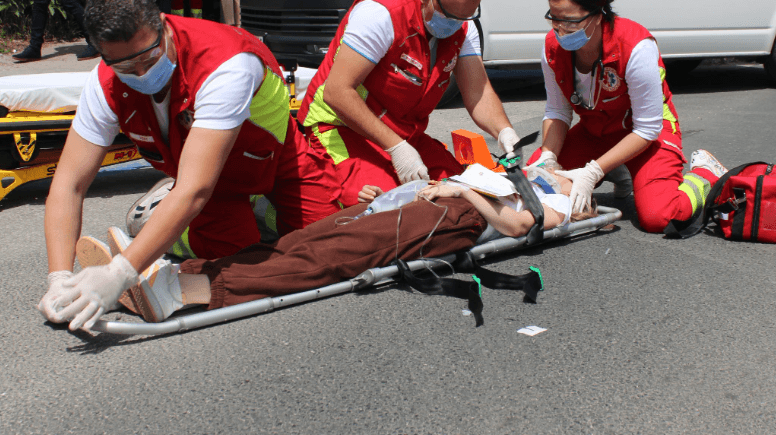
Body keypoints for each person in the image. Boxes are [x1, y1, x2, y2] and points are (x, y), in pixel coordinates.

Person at [36, 0, 341, 329]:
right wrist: (58, 278)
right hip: (212, 184)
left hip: (275, 160)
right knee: (242, 266)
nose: (141, 74)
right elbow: (69, 184)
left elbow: (194, 189)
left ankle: (156, 220)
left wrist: (121, 272)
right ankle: (170, 230)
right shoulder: (103, 82)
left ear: (164, 25)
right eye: (124, 68)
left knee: (329, 247)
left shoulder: (225, 62)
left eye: (149, 57)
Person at [67, 165, 589, 327]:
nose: (557, 171)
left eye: (567, 177)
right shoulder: (531, 172)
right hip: (428, 199)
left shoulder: (557, 203)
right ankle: (171, 271)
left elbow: (519, 228)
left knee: (334, 257)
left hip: (457, 217)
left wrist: (462, 189)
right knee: (303, 239)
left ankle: (186, 290)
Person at [298, 0, 524, 207]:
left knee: (463, 191)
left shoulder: (462, 25)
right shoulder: (381, 13)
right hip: (341, 128)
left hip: (403, 135)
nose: (456, 24)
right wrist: (397, 148)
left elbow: (477, 92)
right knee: (385, 204)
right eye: (450, 15)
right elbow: (337, 91)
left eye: (466, 16)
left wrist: (504, 132)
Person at [532, 0, 728, 233]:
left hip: (649, 136)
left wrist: (592, 172)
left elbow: (648, 128)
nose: (560, 30)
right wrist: (548, 157)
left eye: (570, 22)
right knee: (535, 184)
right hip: (596, 133)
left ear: (598, 14)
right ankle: (617, 168)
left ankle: (706, 175)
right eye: (554, 19)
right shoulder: (552, 48)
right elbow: (558, 110)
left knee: (659, 217)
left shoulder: (636, 46)